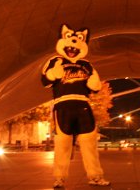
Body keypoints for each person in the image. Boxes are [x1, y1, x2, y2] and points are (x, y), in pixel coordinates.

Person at [41, 24, 110, 188]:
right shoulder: (54, 61)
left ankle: (95, 176)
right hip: (62, 105)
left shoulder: (86, 65)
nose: (72, 48)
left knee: (89, 143)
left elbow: (95, 87)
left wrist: (94, 84)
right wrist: (53, 73)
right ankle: (60, 178)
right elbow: (45, 81)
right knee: (62, 143)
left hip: (83, 105)